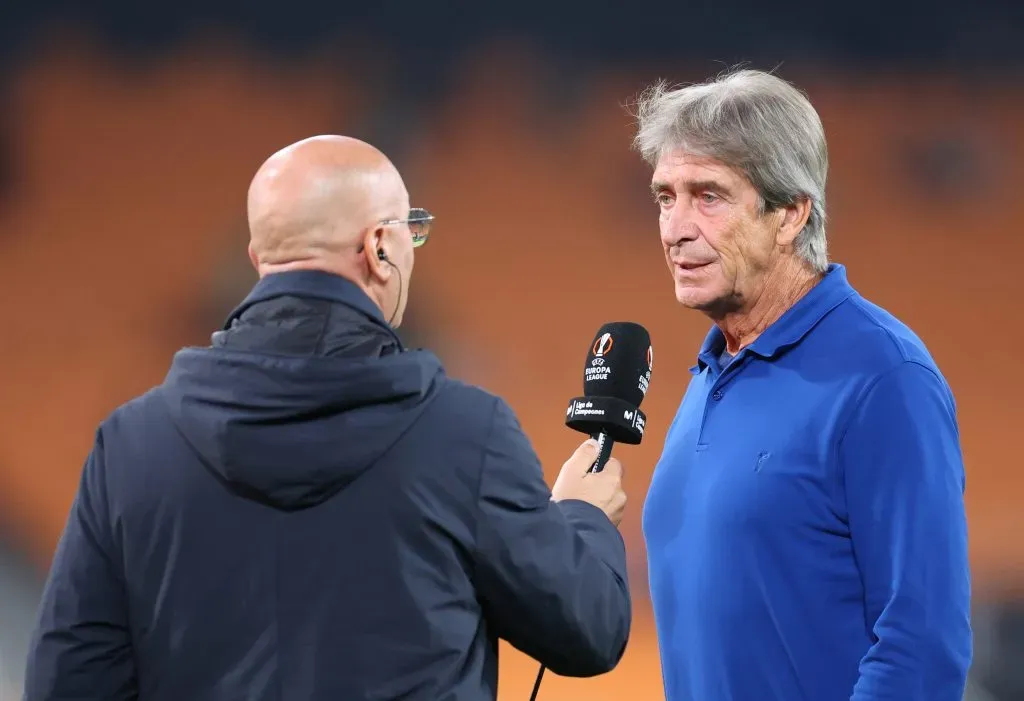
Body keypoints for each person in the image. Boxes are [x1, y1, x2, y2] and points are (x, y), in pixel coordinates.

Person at [23, 135, 631, 700]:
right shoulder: (464, 434)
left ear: (259, 256)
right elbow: (587, 632)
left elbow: (68, 680)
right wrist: (582, 515)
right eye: (411, 233)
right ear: (380, 248)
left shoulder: (130, 445)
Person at [634, 69, 972, 701]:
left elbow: (922, 651)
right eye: (664, 196)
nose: (675, 228)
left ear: (790, 214)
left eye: (708, 196)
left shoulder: (884, 378)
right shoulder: (715, 369)